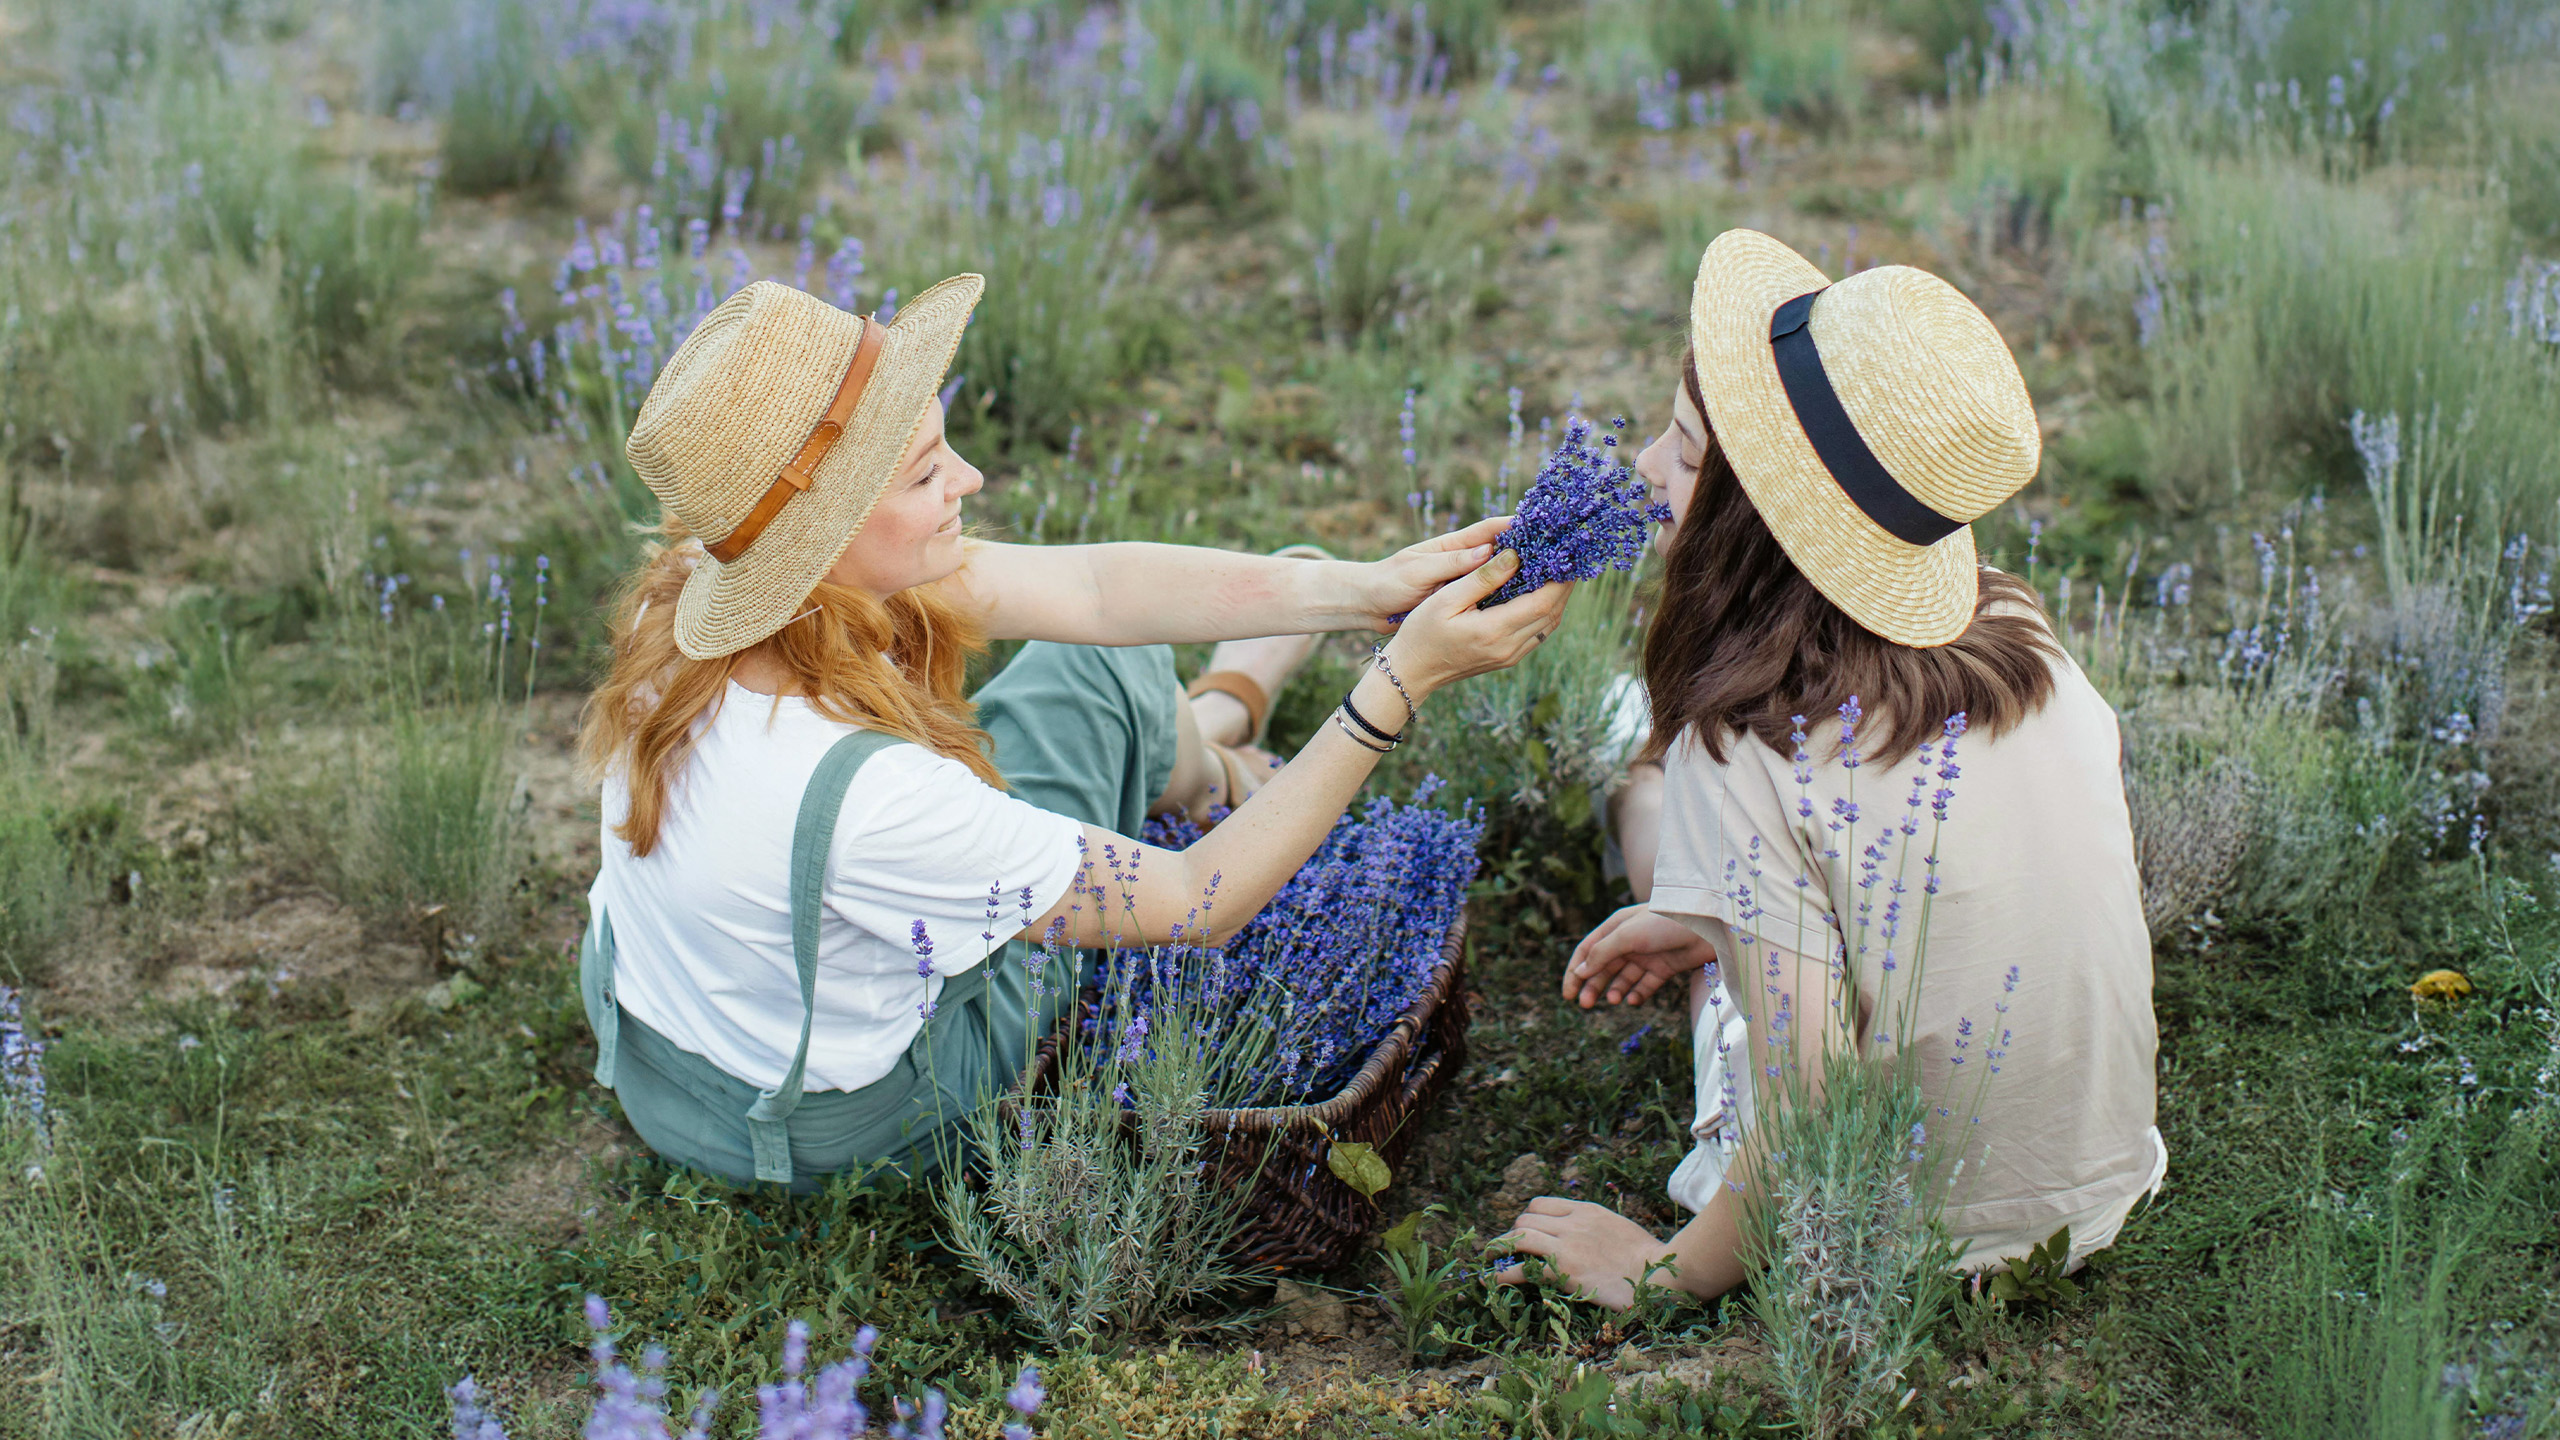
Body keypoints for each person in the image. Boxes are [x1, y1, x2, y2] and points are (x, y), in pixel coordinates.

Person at [575, 274, 1571, 1190]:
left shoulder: (694, 606)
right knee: (1109, 676)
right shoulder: (867, 795)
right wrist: (1399, 682)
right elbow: (1192, 898)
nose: (965, 479)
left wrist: (1361, 592)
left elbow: (1093, 589)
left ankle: (1220, 739)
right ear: (825, 535)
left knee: (1098, 650)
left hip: (672, 1068)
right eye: (926, 475)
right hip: (842, 1129)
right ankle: (1221, 746)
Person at [1497, 230, 2162, 1308]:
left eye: (1681, 449)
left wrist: (1662, 1276)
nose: (1645, 473)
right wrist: (1722, 915)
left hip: (1887, 1224)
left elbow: (1808, 1109)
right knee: (1716, 906)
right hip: (2097, 1183)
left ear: (1745, 518)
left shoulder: (1746, 747)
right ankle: (1689, 878)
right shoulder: (2021, 634)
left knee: (1660, 828)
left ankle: (1631, 779)